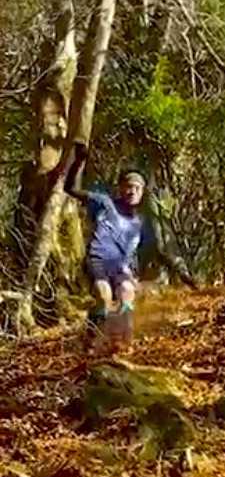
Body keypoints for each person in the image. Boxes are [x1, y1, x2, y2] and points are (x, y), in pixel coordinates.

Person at [64, 142, 149, 353]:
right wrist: (78, 161)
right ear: (120, 188)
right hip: (98, 260)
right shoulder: (104, 203)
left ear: (142, 192)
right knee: (104, 295)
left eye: (137, 188)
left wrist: (134, 274)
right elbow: (70, 189)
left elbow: (131, 252)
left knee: (127, 292)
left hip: (120, 267)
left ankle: (122, 343)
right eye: (128, 186)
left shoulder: (138, 222)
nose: (132, 191)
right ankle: (89, 339)